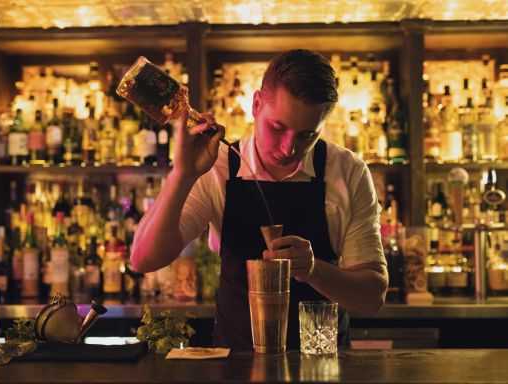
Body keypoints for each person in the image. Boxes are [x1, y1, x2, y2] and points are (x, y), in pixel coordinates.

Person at [131, 49, 388, 350]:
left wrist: (313, 270)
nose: (288, 149)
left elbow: (373, 297)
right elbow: (144, 259)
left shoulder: (347, 171)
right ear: (255, 104)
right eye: (277, 127)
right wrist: (183, 175)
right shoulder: (218, 165)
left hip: (323, 366)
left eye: (307, 135)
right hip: (234, 364)